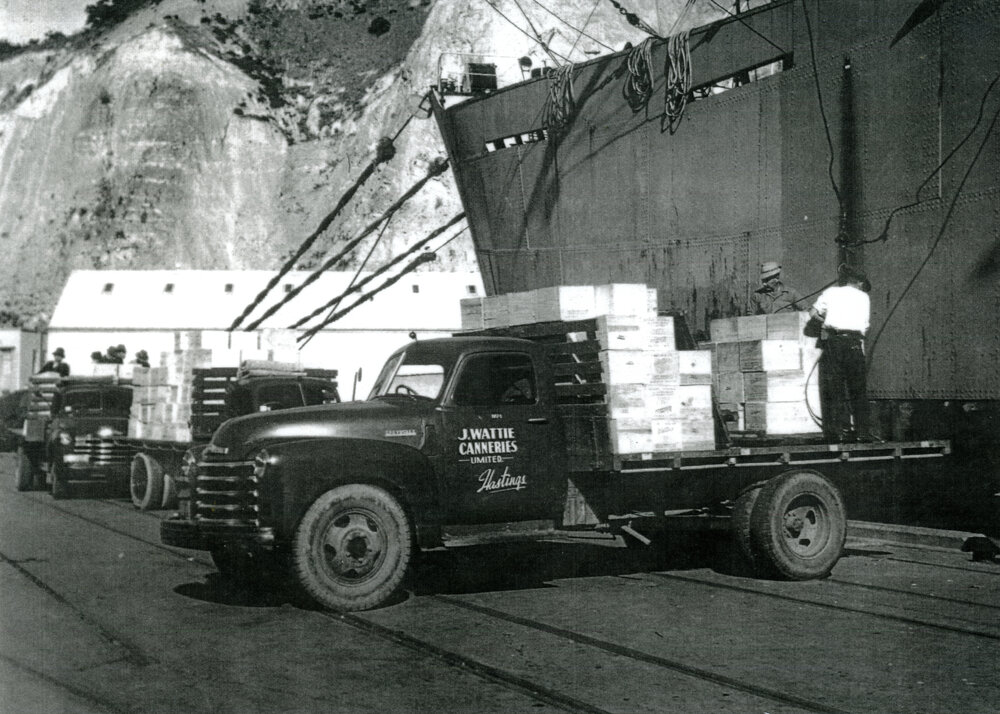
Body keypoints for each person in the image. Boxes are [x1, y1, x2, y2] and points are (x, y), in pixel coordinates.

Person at [810, 265, 874, 442]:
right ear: (859, 282)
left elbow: (812, 312)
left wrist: (825, 322)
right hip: (854, 343)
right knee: (858, 390)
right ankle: (863, 433)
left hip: (835, 342)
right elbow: (865, 325)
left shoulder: (831, 293)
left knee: (834, 389)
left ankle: (836, 432)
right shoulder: (864, 297)